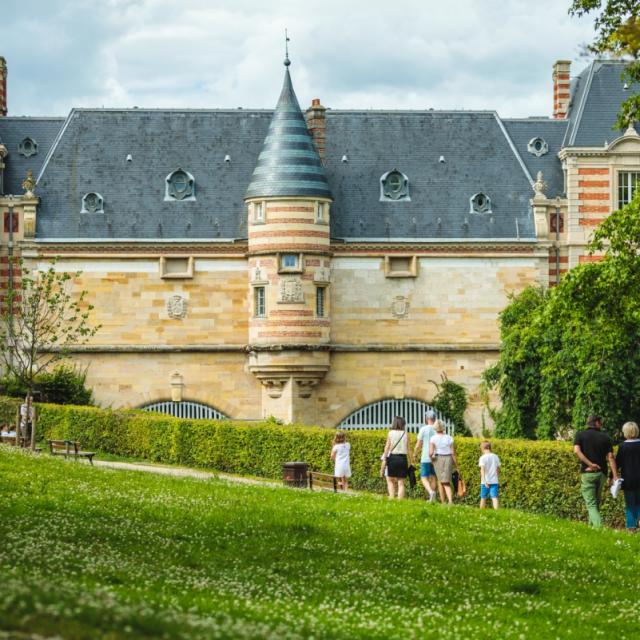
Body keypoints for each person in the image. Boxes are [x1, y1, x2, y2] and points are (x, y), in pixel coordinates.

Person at [573, 415, 619, 529]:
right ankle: (591, 528)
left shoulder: (580, 435)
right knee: (595, 503)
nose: (602, 424)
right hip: (601, 473)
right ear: (597, 423)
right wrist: (615, 476)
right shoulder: (605, 437)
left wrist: (589, 464)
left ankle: (599, 528)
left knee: (591, 504)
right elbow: (611, 457)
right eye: (601, 422)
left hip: (588, 473)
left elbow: (576, 451)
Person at [615, 421, 640, 532]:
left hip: (628, 480)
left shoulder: (623, 446)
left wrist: (612, 476)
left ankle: (631, 527)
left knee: (630, 505)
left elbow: (618, 463)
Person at [382, 416, 414, 499]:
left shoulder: (390, 433)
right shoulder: (406, 434)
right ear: (403, 424)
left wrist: (385, 458)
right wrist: (412, 461)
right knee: (401, 482)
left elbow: (387, 447)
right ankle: (400, 500)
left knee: (390, 480)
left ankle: (392, 497)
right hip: (403, 459)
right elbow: (409, 449)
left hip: (392, 458)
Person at [429, 420, 458, 504]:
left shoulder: (433, 438)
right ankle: (448, 501)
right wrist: (456, 465)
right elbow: (453, 453)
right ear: (443, 427)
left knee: (441, 481)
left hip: (438, 459)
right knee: (446, 481)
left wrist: (431, 459)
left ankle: (445, 502)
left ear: (435, 428)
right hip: (448, 458)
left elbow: (430, 452)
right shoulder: (449, 438)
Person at [414, 409, 438, 502]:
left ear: (427, 418)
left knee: (424, 477)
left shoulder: (423, 429)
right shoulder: (437, 428)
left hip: (425, 457)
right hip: (435, 456)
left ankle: (431, 492)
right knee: (433, 477)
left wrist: (415, 454)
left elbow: (418, 444)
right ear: (434, 418)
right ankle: (433, 498)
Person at [478, 441, 501, 510]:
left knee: (483, 497)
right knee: (494, 497)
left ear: (485, 448)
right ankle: (497, 512)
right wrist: (497, 478)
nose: (482, 450)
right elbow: (498, 469)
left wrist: (484, 481)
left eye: (482, 448)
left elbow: (482, 470)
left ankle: (481, 512)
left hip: (485, 482)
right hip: (494, 481)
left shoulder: (482, 458)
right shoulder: (496, 456)